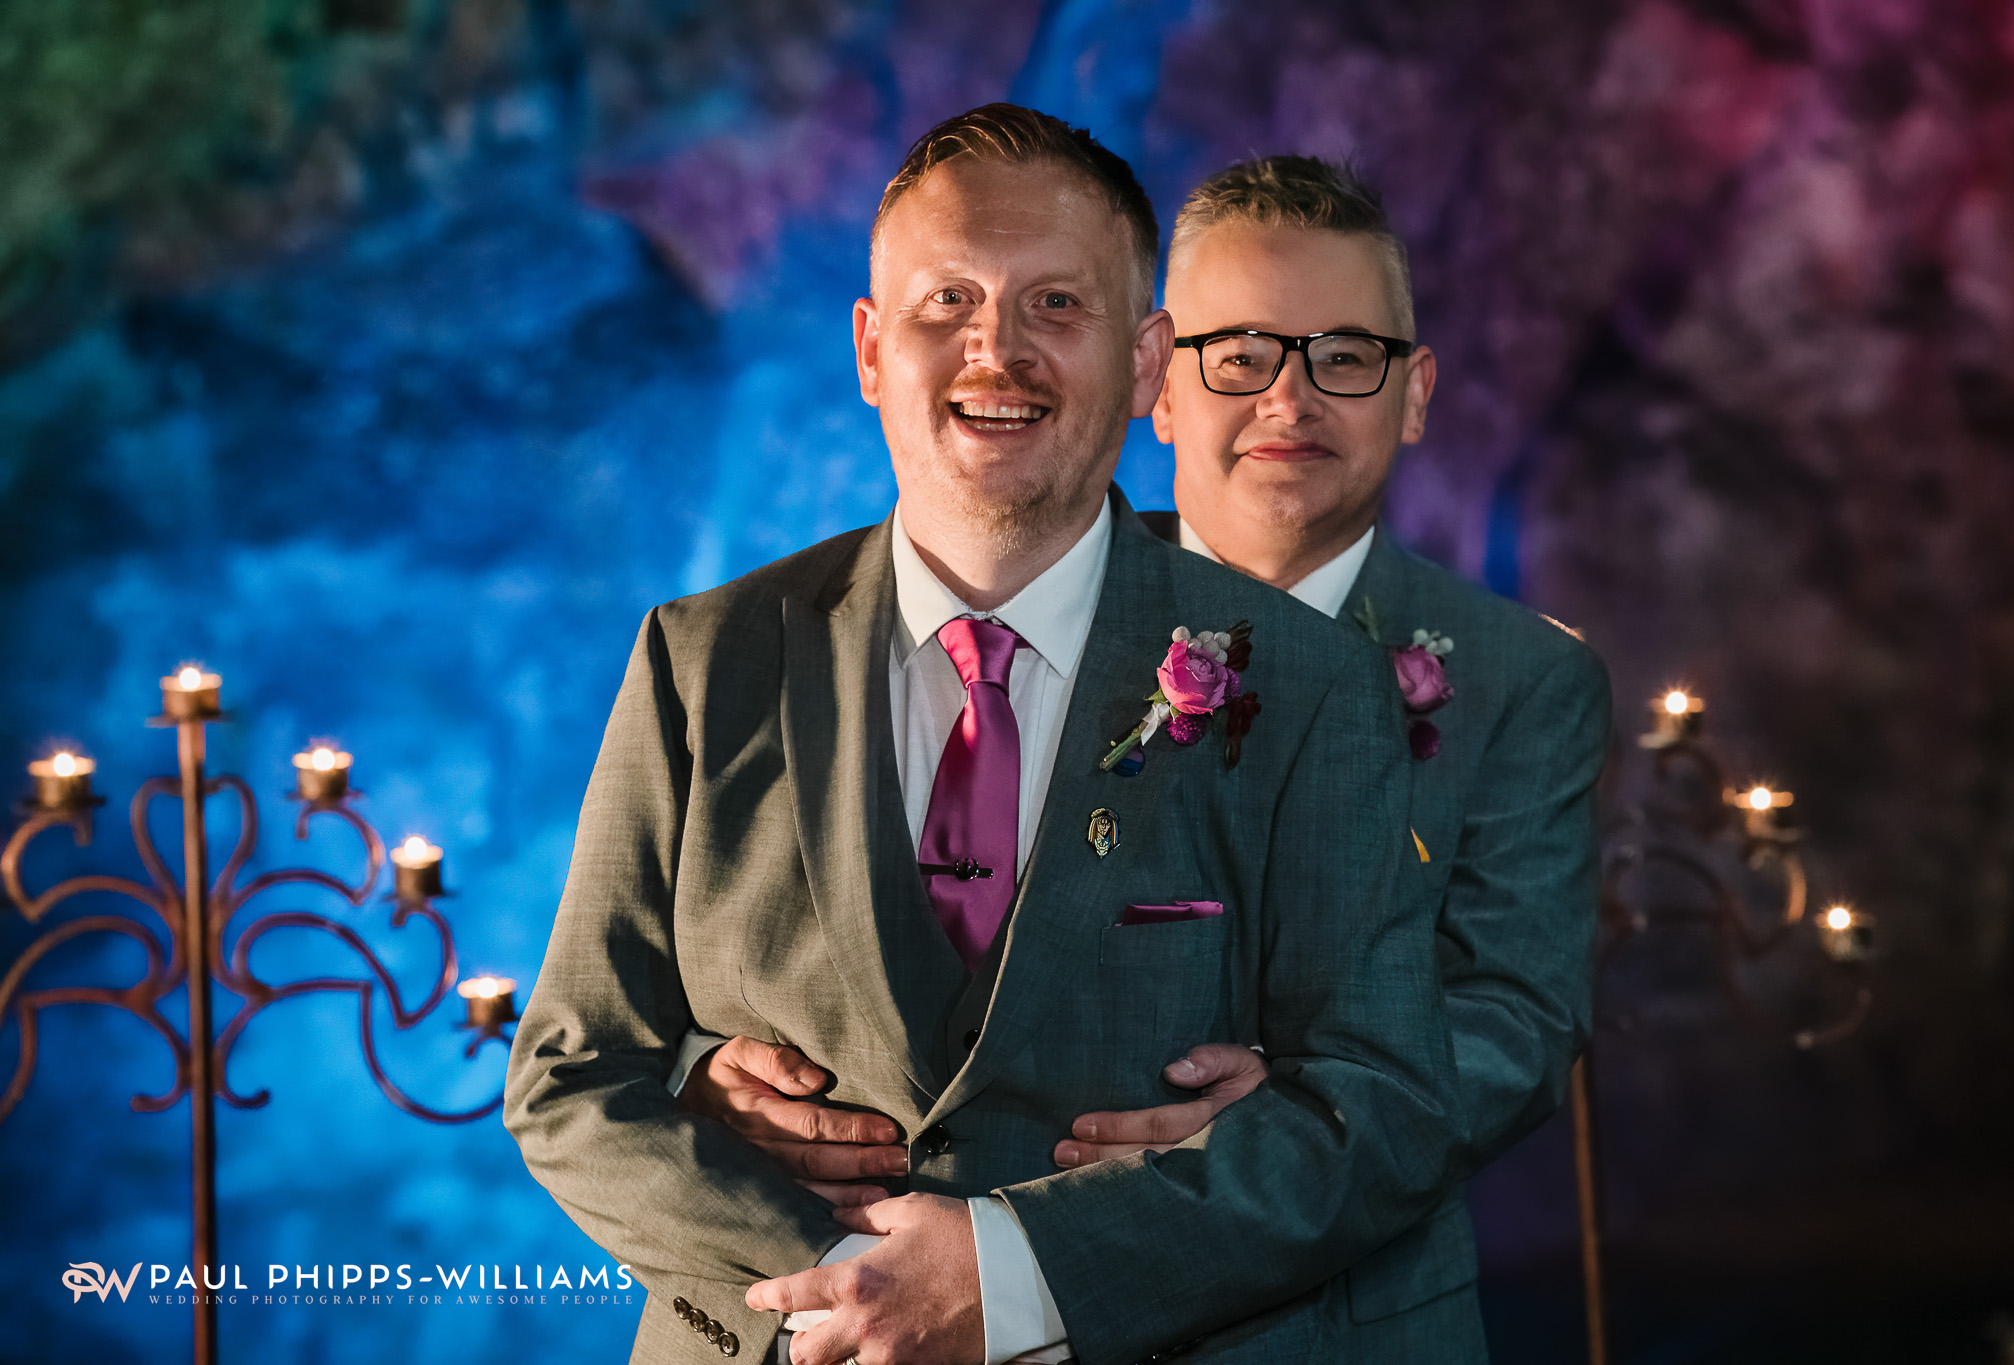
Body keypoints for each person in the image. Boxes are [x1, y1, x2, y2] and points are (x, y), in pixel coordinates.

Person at [504, 108, 1457, 1365]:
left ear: (1145, 363)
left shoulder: (1314, 686)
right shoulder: (701, 661)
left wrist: (1014, 1284)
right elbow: (570, 1075)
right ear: (867, 347)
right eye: (945, 298)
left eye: (1055, 305)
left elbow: (1382, 1109)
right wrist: (848, 1284)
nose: (992, 351)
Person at [676, 155, 1612, 1360]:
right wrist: (715, 1069)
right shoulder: (1004, 610)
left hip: (1331, 1309)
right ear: (1153, 382)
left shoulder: (1525, 678)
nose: (1288, 402)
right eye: (1239, 356)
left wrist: (1300, 1106)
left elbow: (1514, 1015)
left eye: (1343, 357)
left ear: (1415, 392)